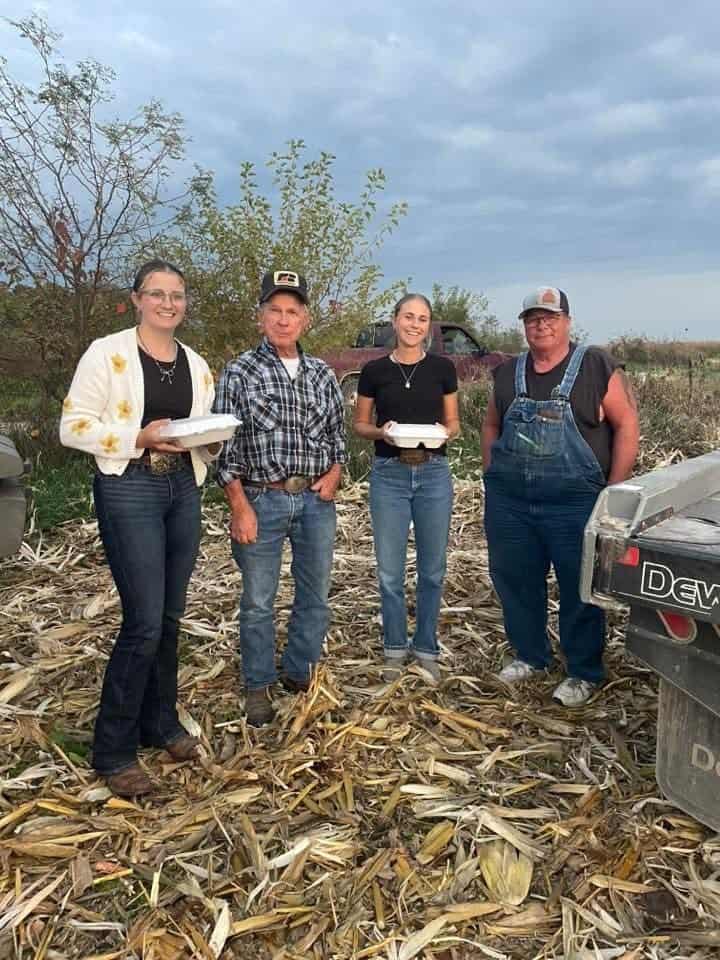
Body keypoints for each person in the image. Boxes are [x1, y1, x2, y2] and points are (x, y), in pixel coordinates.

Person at [60, 259, 219, 796]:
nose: (168, 303)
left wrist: (211, 441)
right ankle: (113, 749)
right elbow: (73, 425)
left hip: (182, 488)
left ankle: (161, 723)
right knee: (143, 622)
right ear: (136, 299)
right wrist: (139, 437)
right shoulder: (107, 353)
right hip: (129, 485)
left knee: (171, 617)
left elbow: (197, 432)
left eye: (177, 295)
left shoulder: (196, 365)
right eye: (157, 294)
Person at [482, 286, 639, 706]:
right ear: (524, 325)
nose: (541, 324)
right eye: (533, 318)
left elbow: (626, 425)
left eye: (550, 317)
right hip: (511, 503)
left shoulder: (594, 365)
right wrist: (491, 472)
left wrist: (613, 491)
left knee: (579, 586)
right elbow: (491, 426)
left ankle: (583, 670)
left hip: (575, 502)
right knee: (515, 580)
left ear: (567, 321)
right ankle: (531, 655)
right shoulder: (507, 373)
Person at [213, 270, 346, 727]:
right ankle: (257, 685)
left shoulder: (321, 373)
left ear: (305, 319)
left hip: (314, 503)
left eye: (292, 311)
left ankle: (300, 671)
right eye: (275, 310)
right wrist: (239, 504)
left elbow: (336, 435)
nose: (283, 320)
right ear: (261, 317)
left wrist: (334, 473)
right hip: (261, 500)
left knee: (315, 596)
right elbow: (222, 447)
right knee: (257, 602)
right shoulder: (239, 372)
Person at [354, 294, 460, 683]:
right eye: (408, 317)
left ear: (428, 326)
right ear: (395, 320)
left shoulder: (443, 369)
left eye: (422, 319)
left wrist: (440, 433)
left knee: (432, 570)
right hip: (389, 473)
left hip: (433, 472)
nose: (414, 325)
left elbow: (454, 425)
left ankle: (427, 647)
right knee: (390, 572)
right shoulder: (374, 371)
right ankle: (394, 647)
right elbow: (361, 424)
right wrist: (383, 432)